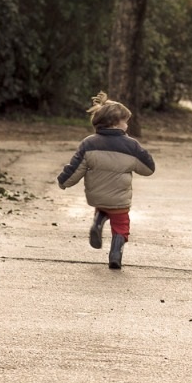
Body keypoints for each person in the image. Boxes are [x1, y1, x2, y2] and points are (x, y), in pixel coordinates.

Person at [57, 93, 155, 269]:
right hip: (119, 199)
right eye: (126, 122)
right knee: (121, 224)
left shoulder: (88, 143)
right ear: (116, 123)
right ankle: (115, 254)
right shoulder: (131, 146)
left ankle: (98, 221)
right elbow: (148, 169)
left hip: (96, 196)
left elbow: (75, 167)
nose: (127, 125)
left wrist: (64, 181)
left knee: (103, 205)